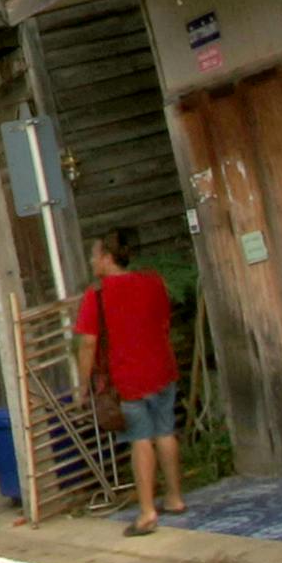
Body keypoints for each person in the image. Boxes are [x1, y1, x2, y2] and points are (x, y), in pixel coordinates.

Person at [73, 228, 182, 534]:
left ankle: (147, 512)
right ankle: (174, 498)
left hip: (127, 379)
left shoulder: (98, 295)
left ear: (107, 258)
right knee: (165, 432)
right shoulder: (153, 282)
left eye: (94, 256)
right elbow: (164, 320)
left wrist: (83, 384)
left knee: (140, 439)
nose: (92, 262)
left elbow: (87, 343)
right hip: (162, 370)